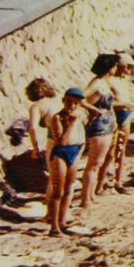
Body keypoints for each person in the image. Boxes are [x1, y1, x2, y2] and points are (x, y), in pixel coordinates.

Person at [45, 88, 90, 234]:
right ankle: (54, 226)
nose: (72, 106)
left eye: (75, 103)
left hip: (74, 152)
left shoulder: (80, 116)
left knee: (69, 188)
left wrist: (80, 152)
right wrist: (71, 124)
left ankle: (62, 221)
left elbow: (82, 137)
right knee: (58, 190)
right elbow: (62, 141)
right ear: (63, 101)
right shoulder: (57, 118)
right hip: (60, 153)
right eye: (69, 102)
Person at [79, 54, 122, 207]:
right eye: (114, 66)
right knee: (93, 164)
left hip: (107, 125)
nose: (116, 68)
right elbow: (79, 97)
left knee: (97, 163)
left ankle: (90, 195)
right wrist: (93, 110)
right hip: (100, 126)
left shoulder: (103, 83)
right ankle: (85, 199)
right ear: (109, 67)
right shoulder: (97, 83)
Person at [108, 53, 134, 192]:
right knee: (110, 150)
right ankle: (104, 180)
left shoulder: (125, 80)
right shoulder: (110, 81)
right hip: (114, 115)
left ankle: (118, 181)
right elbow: (104, 103)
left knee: (121, 149)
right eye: (128, 66)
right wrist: (122, 104)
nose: (130, 69)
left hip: (125, 114)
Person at [24, 78, 60, 164]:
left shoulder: (36, 106)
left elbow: (33, 128)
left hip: (57, 136)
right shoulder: (56, 101)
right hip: (75, 135)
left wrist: (35, 149)